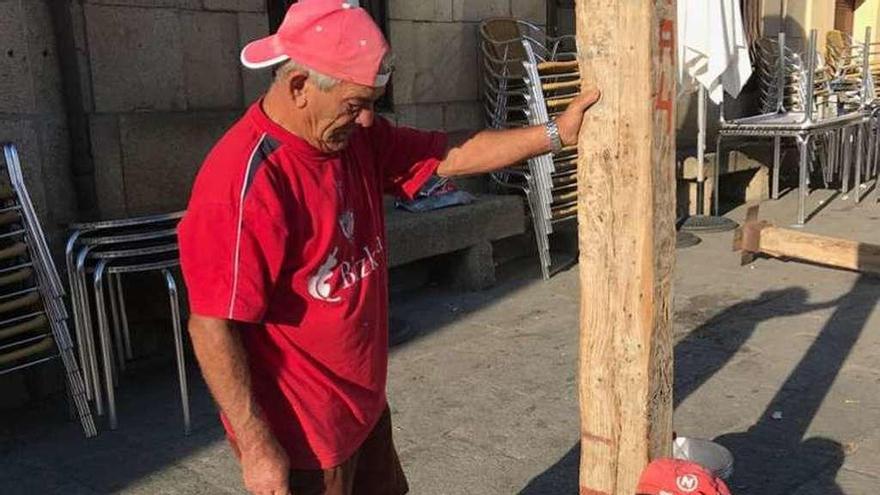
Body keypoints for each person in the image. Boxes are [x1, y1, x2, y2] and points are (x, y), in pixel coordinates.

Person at [177, 0, 600, 493]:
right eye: (356, 104)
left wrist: (555, 133)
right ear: (299, 87)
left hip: (364, 407)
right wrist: (256, 447)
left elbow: (449, 155)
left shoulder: (354, 138)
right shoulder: (244, 183)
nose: (366, 121)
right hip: (305, 437)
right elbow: (211, 326)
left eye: (372, 103)